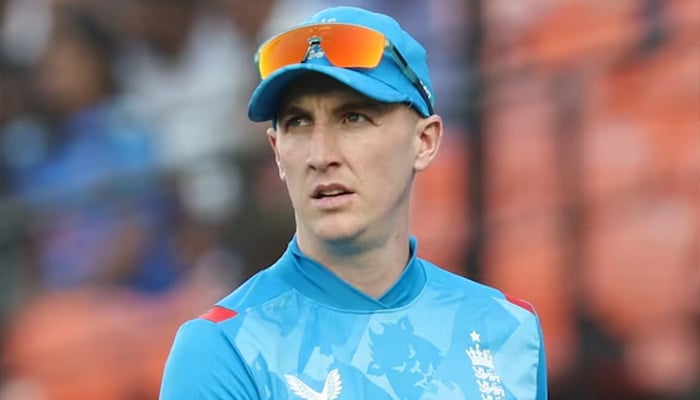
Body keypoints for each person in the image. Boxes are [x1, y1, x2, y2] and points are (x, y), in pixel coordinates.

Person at [160, 6, 548, 399]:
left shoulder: (510, 328)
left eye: (354, 118)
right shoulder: (223, 349)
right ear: (277, 152)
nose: (321, 154)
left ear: (425, 141)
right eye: (298, 122)